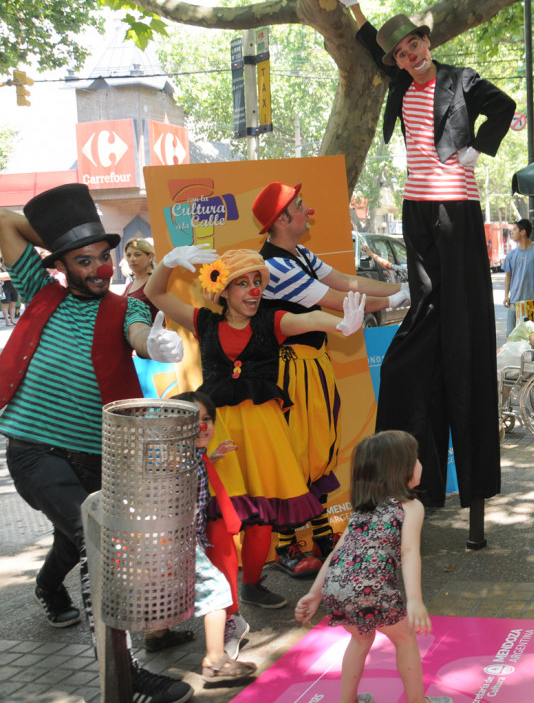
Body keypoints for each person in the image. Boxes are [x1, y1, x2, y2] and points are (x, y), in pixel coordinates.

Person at [0, 183, 192, 703]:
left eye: (103, 256)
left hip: (98, 454)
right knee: (99, 543)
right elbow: (3, 220)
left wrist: (152, 342)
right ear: (60, 264)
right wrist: (66, 243)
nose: (99, 268)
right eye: (84, 261)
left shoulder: (120, 308)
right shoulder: (42, 288)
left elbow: (136, 331)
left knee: (78, 533)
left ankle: (46, 585)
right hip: (34, 448)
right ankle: (123, 677)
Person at [331, 0, 513, 508]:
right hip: (416, 207)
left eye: (413, 45)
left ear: (427, 43)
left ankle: (452, 338)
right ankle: (424, 322)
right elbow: (372, 47)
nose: (408, 55)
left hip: (456, 203)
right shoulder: (399, 84)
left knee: (458, 308)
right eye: (401, 52)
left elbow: (502, 106)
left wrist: (480, 147)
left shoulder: (461, 80)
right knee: (427, 297)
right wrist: (354, 8)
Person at [146, 246, 365, 613]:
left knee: (263, 516)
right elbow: (156, 294)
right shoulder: (204, 322)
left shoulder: (272, 321)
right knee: (222, 518)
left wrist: (340, 324)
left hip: (265, 431)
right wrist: (166, 263)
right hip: (219, 431)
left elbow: (308, 319)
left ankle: (250, 586)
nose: (253, 291)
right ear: (224, 291)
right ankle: (224, 604)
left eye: (257, 283)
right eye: (243, 283)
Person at [253, 181, 407, 578]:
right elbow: (336, 300)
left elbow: (348, 281)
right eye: (301, 207)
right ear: (282, 218)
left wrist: (404, 287)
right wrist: (396, 299)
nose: (309, 212)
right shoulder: (274, 266)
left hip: (313, 365)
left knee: (317, 450)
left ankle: (320, 534)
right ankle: (286, 546)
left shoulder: (300, 253)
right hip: (287, 371)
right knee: (294, 452)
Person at [294, 431, 452, 703]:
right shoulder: (410, 506)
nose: (420, 463)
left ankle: (348, 701)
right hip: (373, 589)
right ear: (400, 470)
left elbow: (337, 553)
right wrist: (414, 600)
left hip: (338, 589)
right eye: (415, 459)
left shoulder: (361, 510)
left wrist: (315, 592)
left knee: (360, 639)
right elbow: (410, 551)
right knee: (405, 639)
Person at [172, 391, 258, 684]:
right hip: (176, 542)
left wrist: (213, 455)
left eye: (207, 419)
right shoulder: (179, 460)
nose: (203, 426)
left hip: (183, 541)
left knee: (163, 596)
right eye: (193, 420)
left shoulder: (193, 456)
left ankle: (157, 636)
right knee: (217, 589)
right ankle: (215, 662)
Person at [502, 218, 534, 334]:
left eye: (514, 230)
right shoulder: (511, 254)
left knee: (532, 339)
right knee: (511, 338)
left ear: (523, 232)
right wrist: (506, 295)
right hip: (514, 303)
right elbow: (508, 276)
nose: (511, 233)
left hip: (533, 303)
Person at [123, 237, 158, 316]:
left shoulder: (155, 282)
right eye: (128, 255)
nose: (132, 259)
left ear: (150, 257)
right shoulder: (130, 285)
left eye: (137, 255)